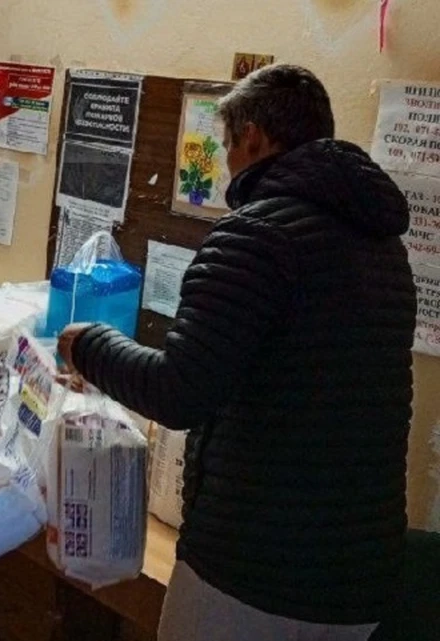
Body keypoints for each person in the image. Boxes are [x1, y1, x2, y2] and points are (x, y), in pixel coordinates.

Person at [58, 64, 416, 641]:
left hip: (255, 567)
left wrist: (89, 345)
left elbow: (180, 392)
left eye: (226, 145)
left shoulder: (254, 234)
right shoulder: (382, 246)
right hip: (359, 576)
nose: (226, 163)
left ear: (252, 138)